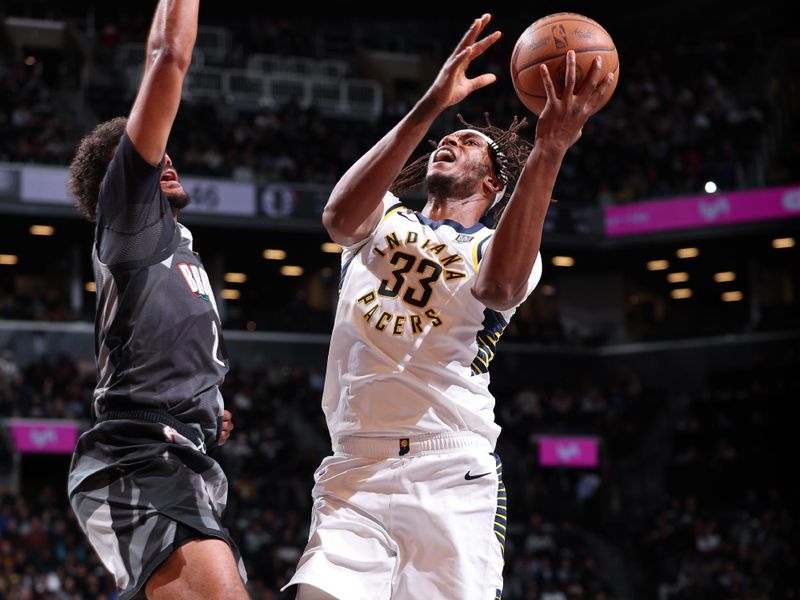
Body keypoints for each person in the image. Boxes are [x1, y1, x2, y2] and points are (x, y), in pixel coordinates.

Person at [283, 13, 614, 600]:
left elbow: (501, 290)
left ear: (492, 185)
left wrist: (550, 148)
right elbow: (336, 218)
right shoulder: (381, 215)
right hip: (353, 468)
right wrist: (432, 104)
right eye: (448, 137)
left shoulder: (498, 244)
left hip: (449, 471)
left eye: (468, 143)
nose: (450, 141)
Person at [65, 2, 249, 599]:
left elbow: (163, 346)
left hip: (177, 450)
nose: (166, 156)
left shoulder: (177, 246)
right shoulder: (130, 217)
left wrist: (204, 407)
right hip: (139, 454)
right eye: (152, 153)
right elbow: (166, 57)